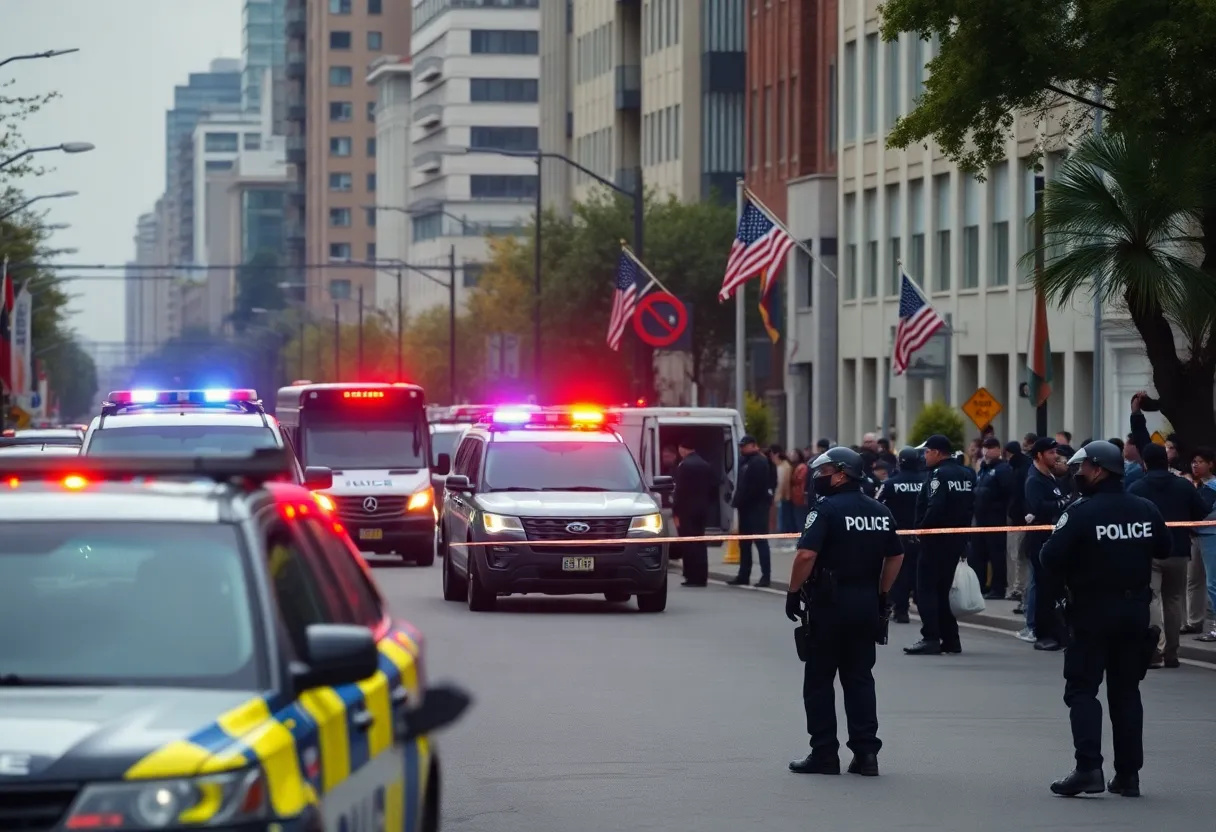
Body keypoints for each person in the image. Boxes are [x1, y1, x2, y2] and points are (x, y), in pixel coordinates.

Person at [1039, 441, 1169, 797]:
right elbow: (1164, 548)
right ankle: (1128, 775)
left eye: (1083, 469)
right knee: (1126, 693)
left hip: (1092, 612)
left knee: (1082, 690)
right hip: (1134, 613)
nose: (1078, 474)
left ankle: (1088, 768)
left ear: (1098, 470)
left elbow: (1049, 558)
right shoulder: (1145, 508)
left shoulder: (1081, 512)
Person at [785, 447, 904, 777]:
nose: (818, 478)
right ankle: (866, 754)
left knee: (820, 680)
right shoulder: (879, 510)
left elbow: (806, 555)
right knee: (860, 679)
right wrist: (881, 593)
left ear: (841, 474)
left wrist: (793, 593)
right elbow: (896, 556)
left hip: (829, 604)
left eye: (824, 473)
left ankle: (824, 753)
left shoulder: (825, 510)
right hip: (866, 603)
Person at [1127, 442, 1208, 667]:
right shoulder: (1184, 485)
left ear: (1145, 462)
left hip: (1148, 552)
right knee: (1174, 600)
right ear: (1166, 460)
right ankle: (1172, 653)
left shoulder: (1137, 487)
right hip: (1179, 549)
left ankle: (1153, 651)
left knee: (1150, 599)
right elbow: (1201, 512)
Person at [905, 434, 975, 656]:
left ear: (936, 452)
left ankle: (931, 637)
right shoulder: (966, 473)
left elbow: (935, 506)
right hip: (956, 539)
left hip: (935, 541)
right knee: (942, 591)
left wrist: (922, 530)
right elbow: (970, 506)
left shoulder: (938, 475)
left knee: (926, 590)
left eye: (926, 452)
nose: (924, 456)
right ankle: (951, 639)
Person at [1023, 436, 1072, 651]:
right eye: (1051, 453)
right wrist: (1062, 502)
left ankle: (1058, 632)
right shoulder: (1034, 479)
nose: (1055, 456)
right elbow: (1039, 506)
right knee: (1043, 589)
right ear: (1039, 455)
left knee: (1055, 588)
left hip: (1054, 540)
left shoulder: (1050, 477)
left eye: (1056, 452)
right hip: (1040, 541)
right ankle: (1043, 634)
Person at [876, 447, 923, 624]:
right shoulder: (925, 481)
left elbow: (875, 504)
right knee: (917, 572)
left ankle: (900, 610)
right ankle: (922, 606)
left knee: (898, 573)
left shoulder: (890, 483)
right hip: (921, 534)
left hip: (897, 534)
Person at [972, 436, 1015, 600]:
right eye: (984, 447)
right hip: (981, 518)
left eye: (990, 447)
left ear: (998, 449)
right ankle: (981, 586)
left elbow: (1008, 492)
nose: (986, 450)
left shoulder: (1003, 469)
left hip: (995, 519)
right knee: (978, 555)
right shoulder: (984, 468)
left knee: (996, 555)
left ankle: (998, 588)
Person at [729, 435, 774, 587]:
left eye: (744, 446)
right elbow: (741, 485)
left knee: (760, 542)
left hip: (757, 507)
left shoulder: (759, 461)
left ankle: (765, 576)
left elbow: (755, 487)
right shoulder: (744, 461)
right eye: (741, 446)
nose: (742, 449)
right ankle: (743, 575)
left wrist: (739, 500)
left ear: (753, 445)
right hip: (745, 508)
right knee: (744, 543)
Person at [672, 439, 718, 588]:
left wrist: (676, 511)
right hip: (702, 509)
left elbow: (679, 491)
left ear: (682, 449)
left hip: (687, 510)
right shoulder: (705, 464)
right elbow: (713, 488)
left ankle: (691, 575)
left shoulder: (684, 466)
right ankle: (702, 575)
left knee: (688, 543)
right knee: (700, 541)